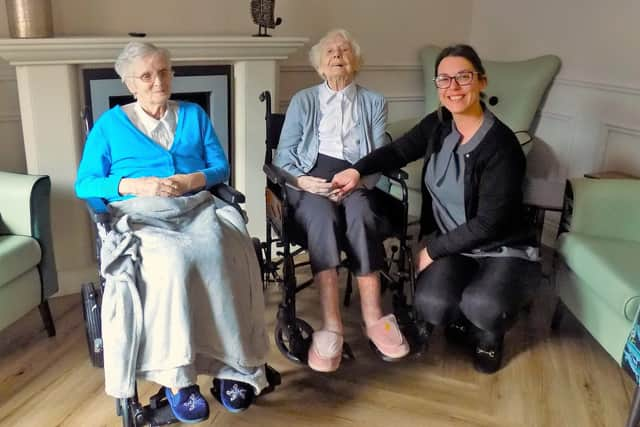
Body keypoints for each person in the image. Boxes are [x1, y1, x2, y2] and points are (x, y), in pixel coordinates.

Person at [76, 41, 269, 421]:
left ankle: (232, 365)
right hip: (142, 213)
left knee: (223, 254)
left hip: (194, 206)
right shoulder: (110, 126)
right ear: (130, 83)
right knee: (173, 263)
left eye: (164, 71)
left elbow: (219, 168)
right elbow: (85, 184)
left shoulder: (194, 115)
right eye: (146, 75)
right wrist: (134, 185)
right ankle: (178, 378)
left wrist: (192, 179)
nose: (157, 81)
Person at [332, 44, 540, 374]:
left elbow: (488, 224)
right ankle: (459, 317)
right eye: (444, 79)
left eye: (462, 77)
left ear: (481, 82)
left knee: (484, 305)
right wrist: (357, 170)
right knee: (431, 304)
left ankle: (489, 334)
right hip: (457, 245)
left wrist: (431, 250)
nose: (453, 87)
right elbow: (398, 151)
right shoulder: (440, 124)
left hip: (501, 247)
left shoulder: (502, 146)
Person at [273, 29, 410, 373]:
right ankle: (332, 325)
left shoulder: (374, 102)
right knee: (320, 215)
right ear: (319, 66)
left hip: (357, 177)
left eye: (344, 50)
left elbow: (378, 157)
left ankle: (373, 317)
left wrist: (358, 180)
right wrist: (304, 182)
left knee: (363, 211)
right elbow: (285, 158)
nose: (337, 55)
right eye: (330, 52)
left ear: (356, 61)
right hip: (310, 178)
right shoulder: (304, 100)